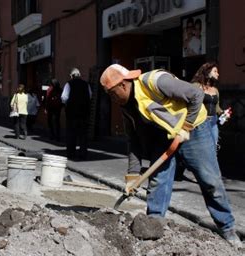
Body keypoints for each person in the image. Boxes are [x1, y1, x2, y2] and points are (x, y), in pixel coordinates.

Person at [99, 64, 240, 245]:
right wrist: (132, 177)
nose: (111, 99)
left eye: (111, 93)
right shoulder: (127, 107)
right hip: (165, 136)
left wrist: (186, 126)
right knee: (158, 180)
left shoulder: (156, 81)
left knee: (210, 180)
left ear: (123, 85)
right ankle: (153, 224)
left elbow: (197, 96)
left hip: (195, 129)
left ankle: (227, 228)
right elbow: (133, 141)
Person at [61, 68, 91, 159]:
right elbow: (90, 96)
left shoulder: (68, 84)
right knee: (83, 135)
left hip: (72, 114)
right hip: (84, 113)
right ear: (79, 75)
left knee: (71, 134)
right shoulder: (86, 84)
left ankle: (71, 153)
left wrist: (67, 104)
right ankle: (83, 153)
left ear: (72, 76)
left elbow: (64, 97)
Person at [191, 62, 222, 146]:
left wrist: (223, 113)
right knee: (202, 148)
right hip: (201, 123)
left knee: (214, 147)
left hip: (213, 123)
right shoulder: (196, 86)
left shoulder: (215, 90)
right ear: (207, 72)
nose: (218, 74)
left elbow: (217, 107)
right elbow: (189, 105)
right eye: (215, 71)